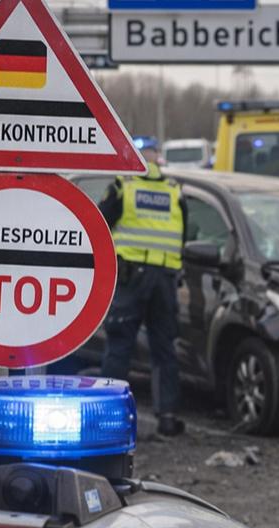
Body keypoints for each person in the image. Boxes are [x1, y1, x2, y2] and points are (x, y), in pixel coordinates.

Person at [99, 136, 188, 437]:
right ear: (158, 158)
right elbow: (184, 235)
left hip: (131, 278)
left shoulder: (124, 187)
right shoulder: (174, 191)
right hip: (164, 279)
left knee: (120, 345)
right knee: (164, 348)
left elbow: (99, 224)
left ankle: (108, 415)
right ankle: (168, 417)